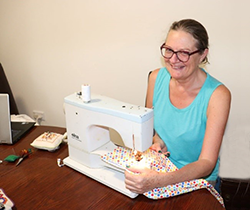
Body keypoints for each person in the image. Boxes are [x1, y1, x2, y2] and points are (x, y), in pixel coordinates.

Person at [125, 19, 231, 194]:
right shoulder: (156, 78)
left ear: (203, 54)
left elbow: (206, 163)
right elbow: (148, 127)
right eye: (169, 50)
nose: (173, 60)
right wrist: (156, 139)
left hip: (197, 180)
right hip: (159, 168)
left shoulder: (217, 96)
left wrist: (160, 181)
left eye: (184, 53)